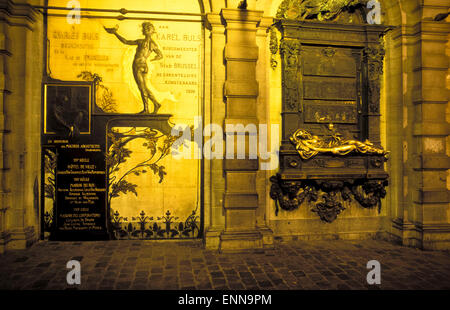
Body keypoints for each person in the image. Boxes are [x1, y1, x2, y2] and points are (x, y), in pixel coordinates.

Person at [105, 22, 163, 114]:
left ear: (146, 31)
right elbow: (160, 55)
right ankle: (156, 104)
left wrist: (115, 33)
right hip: (144, 66)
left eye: (144, 29)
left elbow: (125, 41)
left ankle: (146, 110)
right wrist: (154, 58)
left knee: (142, 88)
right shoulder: (153, 44)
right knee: (145, 87)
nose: (142, 30)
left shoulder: (140, 42)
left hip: (137, 65)